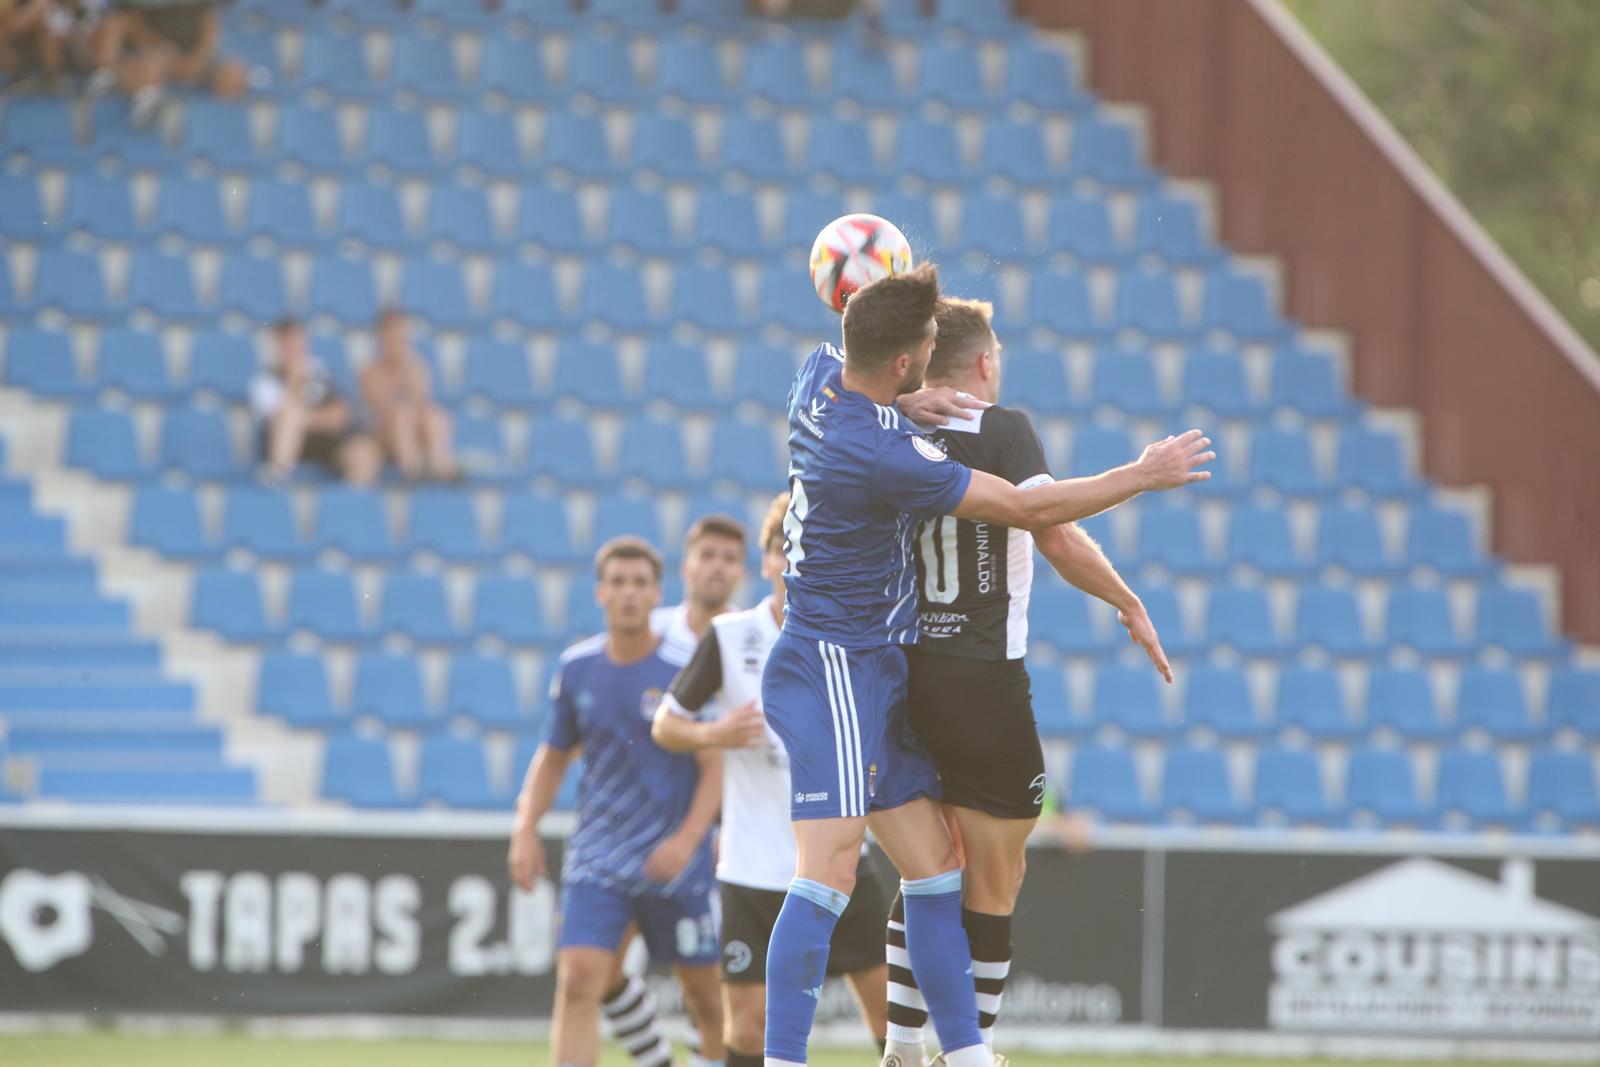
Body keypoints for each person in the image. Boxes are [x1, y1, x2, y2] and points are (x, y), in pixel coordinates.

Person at [760, 263, 1213, 1067]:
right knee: (830, 873)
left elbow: (872, 392)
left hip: (889, 666)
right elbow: (1035, 513)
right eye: (923, 351)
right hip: (834, 663)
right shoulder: (890, 456)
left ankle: (952, 1053)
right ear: (905, 360)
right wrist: (1143, 473)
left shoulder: (817, 375)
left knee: (934, 868)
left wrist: (903, 402)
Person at [882, 298, 1172, 1064]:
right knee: (994, 879)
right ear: (983, 362)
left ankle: (904, 1044)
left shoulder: (882, 422)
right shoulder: (1001, 428)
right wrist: (1127, 588)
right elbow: (1053, 526)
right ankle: (965, 1050)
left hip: (897, 674)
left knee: (926, 865)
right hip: (981, 682)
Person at [653, 493, 892, 1067]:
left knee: (891, 1015)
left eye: (806, 547)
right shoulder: (731, 637)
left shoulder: (855, 635)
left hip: (840, 861)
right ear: (766, 561)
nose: (794, 559)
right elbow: (666, 724)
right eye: (782, 549)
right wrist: (716, 734)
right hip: (752, 870)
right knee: (750, 1027)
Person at [508, 537, 726, 1067]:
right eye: (619, 584)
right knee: (580, 979)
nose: (629, 594)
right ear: (600, 594)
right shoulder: (577, 667)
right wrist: (525, 827)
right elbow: (554, 756)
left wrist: (689, 839)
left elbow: (713, 763)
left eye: (639, 584)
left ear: (657, 594)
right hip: (598, 855)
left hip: (675, 860)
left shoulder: (685, 666)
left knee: (706, 998)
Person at [599, 512, 751, 1067]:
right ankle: (654, 1060)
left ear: (742, 571)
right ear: (686, 565)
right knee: (601, 965)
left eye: (729, 559)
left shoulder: (753, 636)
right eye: (707, 555)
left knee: (706, 983)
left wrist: (727, 824)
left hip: (724, 832)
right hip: (645, 826)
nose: (717, 567)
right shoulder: (653, 632)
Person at [249, 318, 381, 486]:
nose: (295, 348)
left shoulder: (319, 370)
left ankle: (353, 505)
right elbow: (279, 420)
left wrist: (305, 419)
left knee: (364, 452)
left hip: (324, 441)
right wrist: (294, 380)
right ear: (278, 345)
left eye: (298, 341)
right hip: (286, 449)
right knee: (290, 416)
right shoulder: (264, 381)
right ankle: (278, 480)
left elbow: (339, 414)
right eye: (289, 342)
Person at [99, 1, 247, 124]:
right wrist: (163, 51)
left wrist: (196, 58)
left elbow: (209, 20)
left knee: (232, 73)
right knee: (147, 69)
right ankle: (147, 124)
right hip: (149, 53)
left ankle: (217, 133)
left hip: (191, 57)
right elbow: (129, 22)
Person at [360, 308, 459, 483]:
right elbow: (382, 411)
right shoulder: (370, 372)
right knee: (401, 414)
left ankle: (439, 466)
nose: (395, 339)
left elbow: (422, 403)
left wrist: (407, 370)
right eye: (391, 333)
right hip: (383, 436)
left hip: (413, 429)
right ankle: (411, 469)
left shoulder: (416, 366)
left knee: (435, 417)